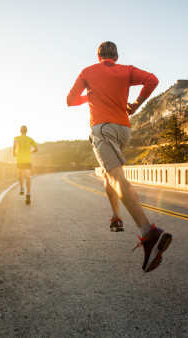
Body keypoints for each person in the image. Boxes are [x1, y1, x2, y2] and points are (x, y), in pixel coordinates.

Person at [66, 41, 172, 272]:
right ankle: (116, 216)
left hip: (102, 129)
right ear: (116, 56)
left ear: (98, 56)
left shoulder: (88, 72)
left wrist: (89, 95)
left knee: (116, 177)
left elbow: (70, 101)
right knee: (108, 173)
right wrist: (136, 104)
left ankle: (149, 233)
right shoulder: (126, 71)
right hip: (124, 129)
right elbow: (152, 80)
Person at [13, 125, 38, 204]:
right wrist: (30, 152)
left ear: (20, 131)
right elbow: (36, 149)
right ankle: (28, 193)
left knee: (20, 175)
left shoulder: (16, 138)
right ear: (26, 131)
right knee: (28, 177)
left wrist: (15, 154)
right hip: (27, 160)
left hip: (19, 160)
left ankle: (21, 188)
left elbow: (14, 148)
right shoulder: (30, 139)